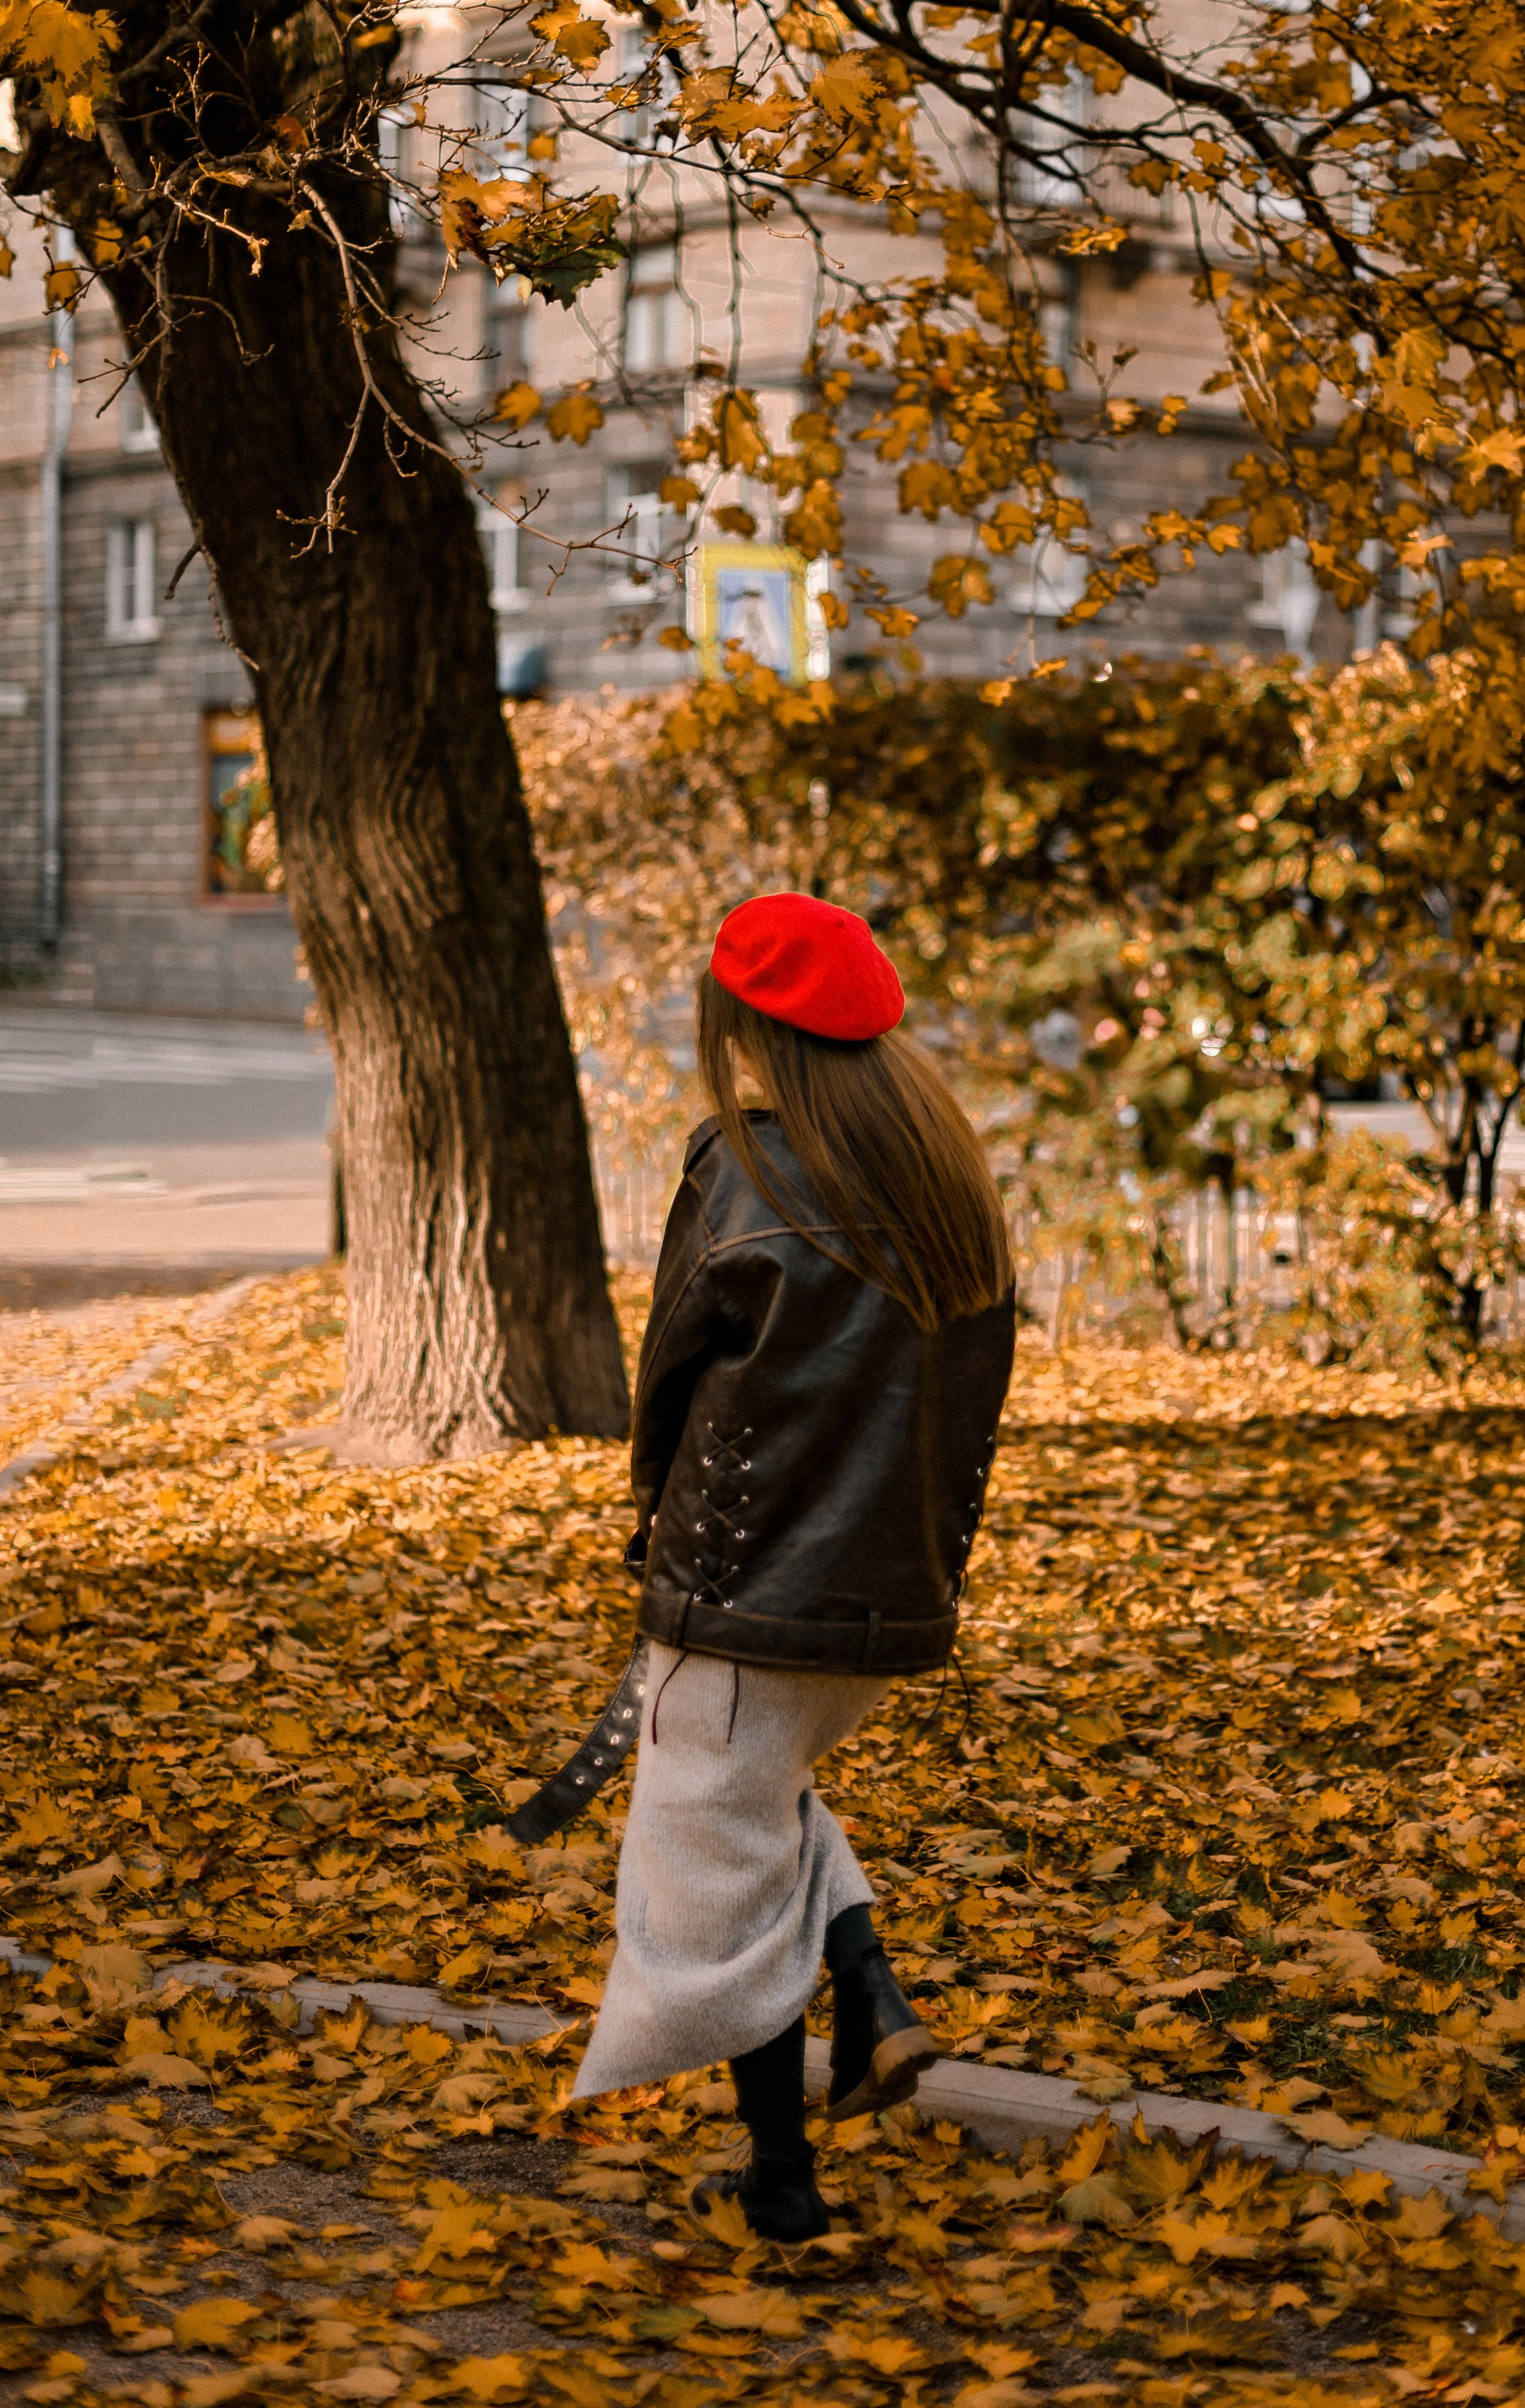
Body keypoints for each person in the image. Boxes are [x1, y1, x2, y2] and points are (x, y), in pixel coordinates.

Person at [571, 891, 1017, 2242]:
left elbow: (668, 1381)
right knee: (760, 1818)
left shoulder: (742, 1167)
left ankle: (784, 2182)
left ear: (746, 1022)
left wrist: (652, 1535)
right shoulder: (945, 1174)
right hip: (881, 1598)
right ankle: (872, 1996)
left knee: (711, 1876)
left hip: (744, 1588)